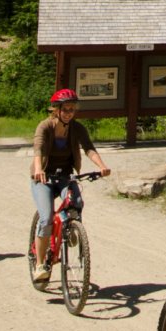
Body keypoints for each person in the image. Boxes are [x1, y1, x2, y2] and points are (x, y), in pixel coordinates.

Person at [30, 88, 112, 284]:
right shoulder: (45, 127)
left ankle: (71, 229)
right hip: (44, 178)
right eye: (65, 109)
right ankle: (40, 264)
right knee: (46, 218)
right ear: (56, 110)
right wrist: (39, 169)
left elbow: (89, 148)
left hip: (66, 176)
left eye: (72, 109)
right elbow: (38, 149)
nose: (68, 112)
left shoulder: (77, 128)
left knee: (76, 202)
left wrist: (102, 166)